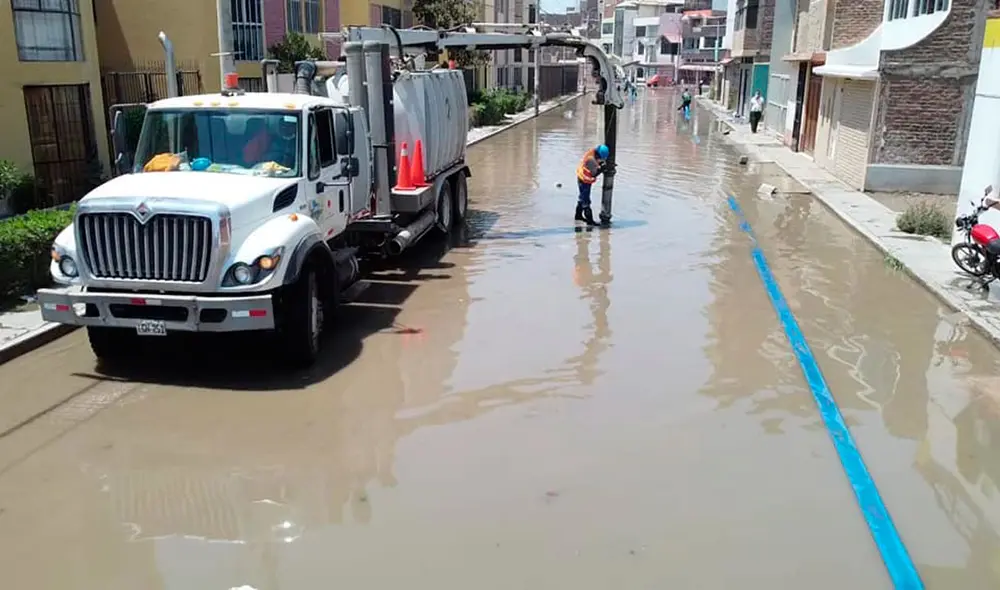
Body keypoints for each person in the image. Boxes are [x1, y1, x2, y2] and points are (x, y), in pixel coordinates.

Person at [575, 144, 610, 226]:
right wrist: (602, 169)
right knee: (586, 201)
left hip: (581, 177)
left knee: (582, 198)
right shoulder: (591, 160)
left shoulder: (593, 153)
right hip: (584, 180)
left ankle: (578, 216)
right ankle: (590, 222)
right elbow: (594, 174)